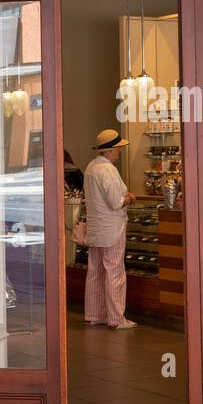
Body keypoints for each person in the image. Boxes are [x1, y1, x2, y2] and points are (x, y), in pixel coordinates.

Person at [83, 128, 137, 330]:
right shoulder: (108, 170)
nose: (119, 153)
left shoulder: (91, 167)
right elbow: (116, 202)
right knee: (115, 273)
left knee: (95, 272)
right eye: (118, 150)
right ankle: (116, 318)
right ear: (111, 151)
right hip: (112, 228)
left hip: (96, 228)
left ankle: (94, 314)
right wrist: (130, 197)